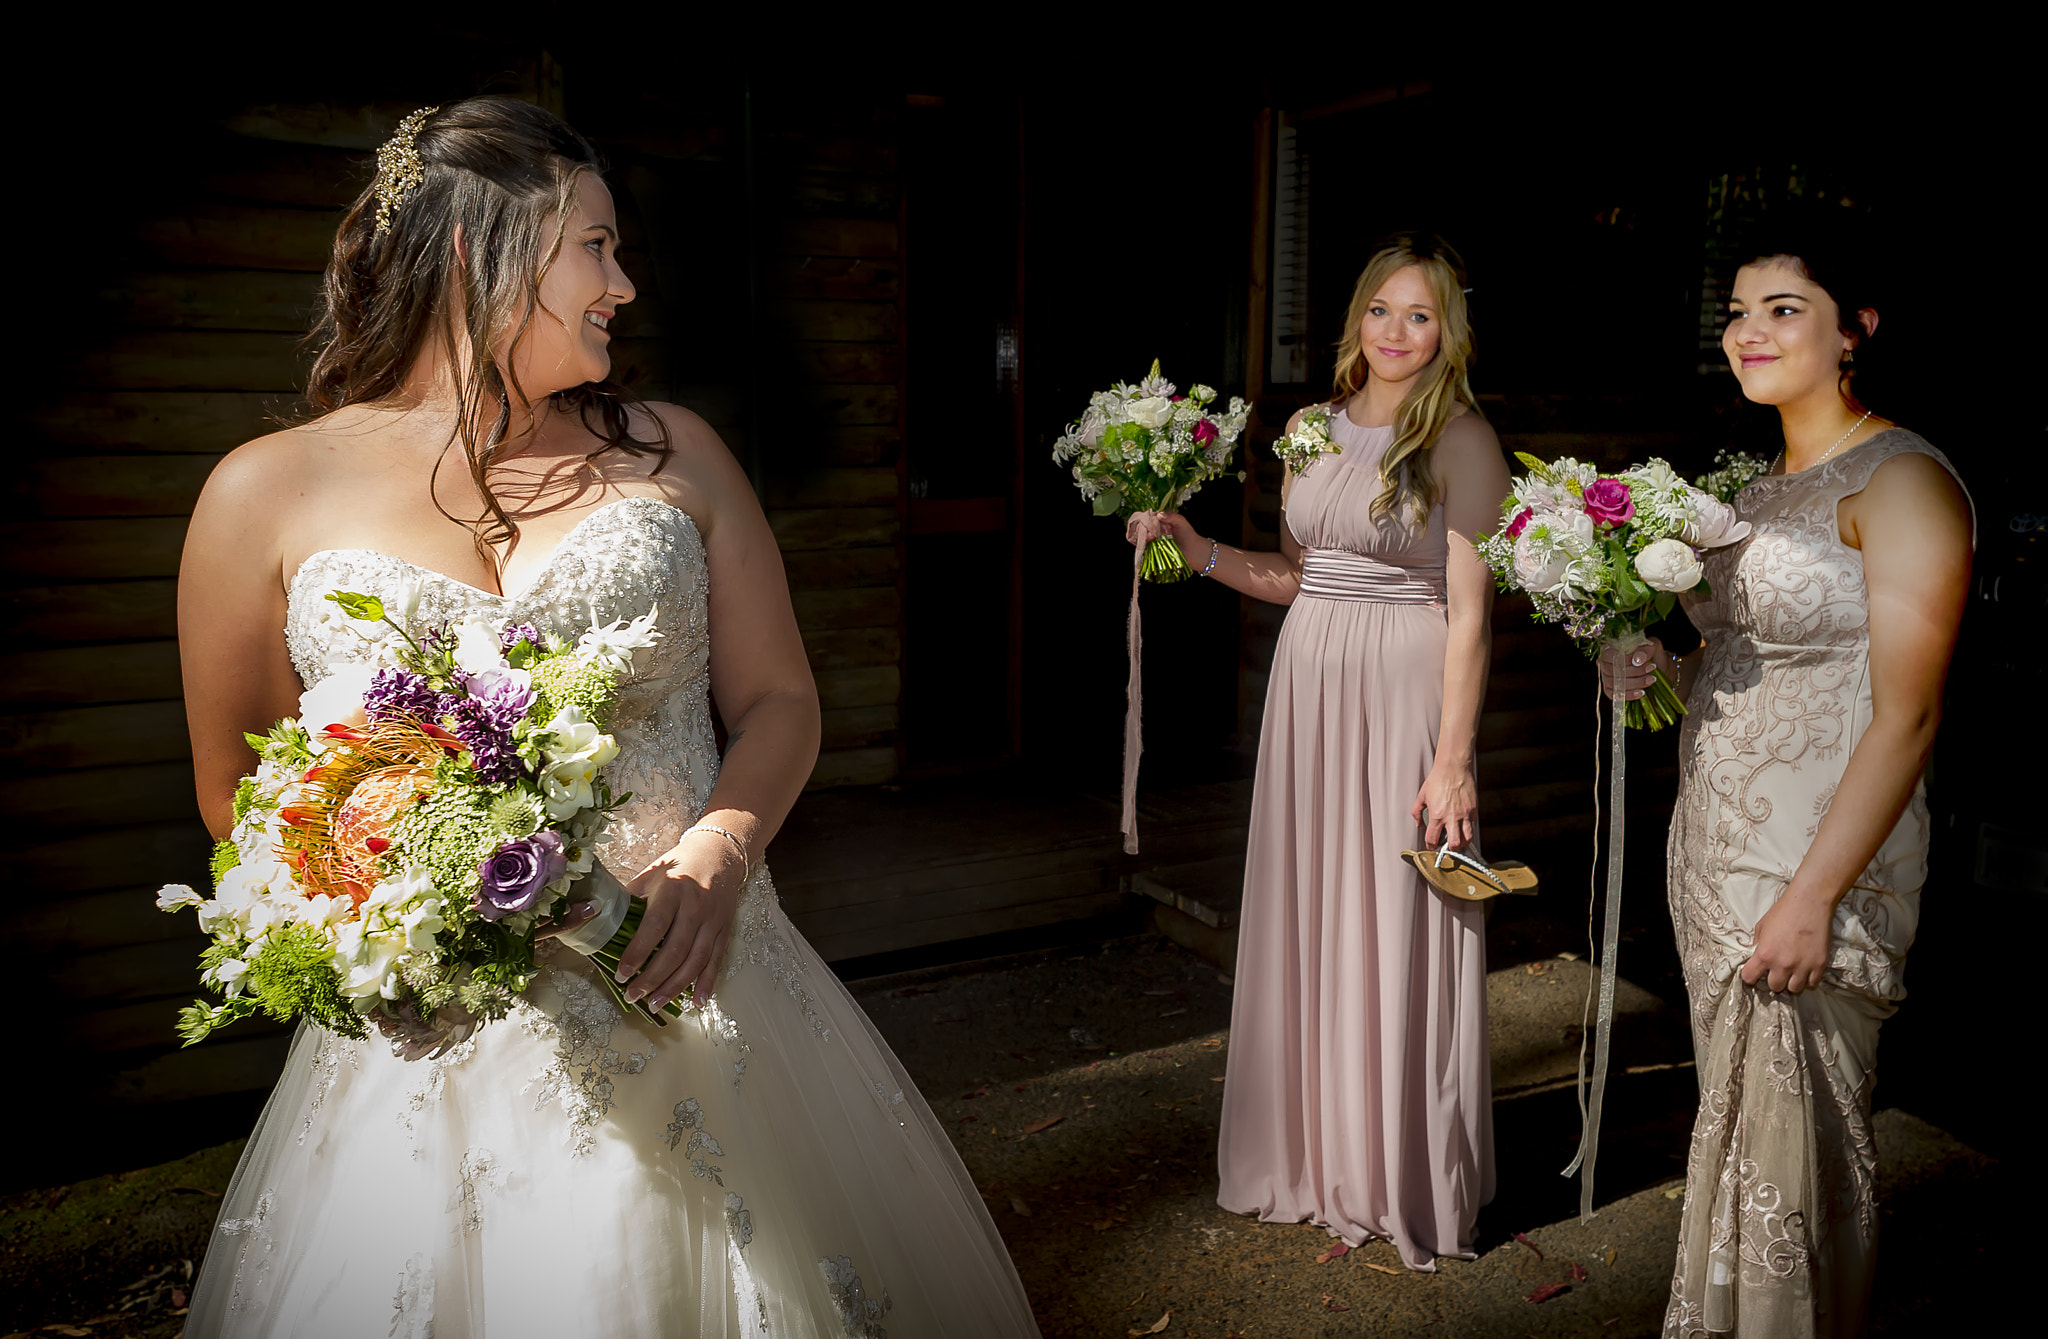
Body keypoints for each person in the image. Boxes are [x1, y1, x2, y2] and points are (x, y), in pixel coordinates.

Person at [177, 97, 1041, 1337]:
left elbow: (781, 698)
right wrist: (381, 927)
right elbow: (239, 793)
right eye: (595, 245)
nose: (622, 285)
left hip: (699, 987)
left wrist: (722, 844)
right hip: (440, 1050)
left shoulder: (676, 453)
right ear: (479, 252)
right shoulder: (259, 494)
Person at [1604, 237, 1972, 1337]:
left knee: (1797, 1146)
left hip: (1815, 859)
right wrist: (1652, 664)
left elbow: (1906, 712)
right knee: (1735, 1123)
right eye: (1734, 312)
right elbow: (1737, 658)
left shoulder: (1900, 478)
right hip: (1710, 849)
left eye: (1782, 308)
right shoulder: (1749, 492)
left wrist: (1812, 891)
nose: (1747, 332)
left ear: (1852, 327)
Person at [1128, 234, 1509, 1270]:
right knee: (1312, 907)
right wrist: (1193, 546)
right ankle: (1304, 1153)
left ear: (1447, 333)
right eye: (1380, 311)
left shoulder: (1463, 441)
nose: (1395, 332)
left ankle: (1392, 1169)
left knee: (1392, 913)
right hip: (1308, 688)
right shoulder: (1305, 430)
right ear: (1354, 321)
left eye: (1419, 315)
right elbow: (1297, 578)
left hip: (1402, 690)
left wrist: (1453, 758)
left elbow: (1472, 619)